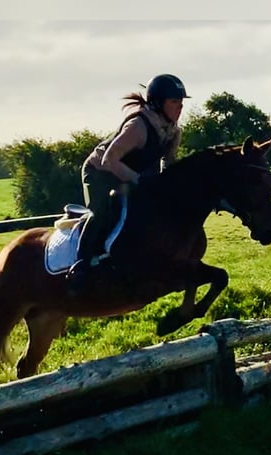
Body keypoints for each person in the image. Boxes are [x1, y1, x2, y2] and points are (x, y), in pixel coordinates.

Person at [66, 73, 190, 294]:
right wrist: (140, 181)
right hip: (100, 172)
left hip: (130, 173)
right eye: (174, 102)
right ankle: (81, 265)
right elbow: (109, 159)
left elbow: (168, 165)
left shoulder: (173, 131)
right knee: (102, 213)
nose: (179, 108)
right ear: (158, 103)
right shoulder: (138, 127)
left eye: (181, 102)